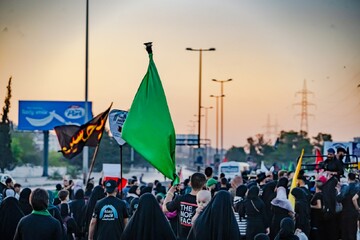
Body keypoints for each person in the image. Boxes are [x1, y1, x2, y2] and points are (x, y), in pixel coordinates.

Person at [163, 172, 206, 240]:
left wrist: (171, 191)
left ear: (190, 184)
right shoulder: (207, 203)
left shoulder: (180, 199)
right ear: (204, 185)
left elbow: (165, 209)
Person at [336, 172, 359, 240]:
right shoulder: (358, 187)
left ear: (348, 178)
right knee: (353, 231)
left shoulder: (345, 188)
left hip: (345, 212)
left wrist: (338, 191)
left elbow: (339, 199)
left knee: (345, 231)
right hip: (354, 212)